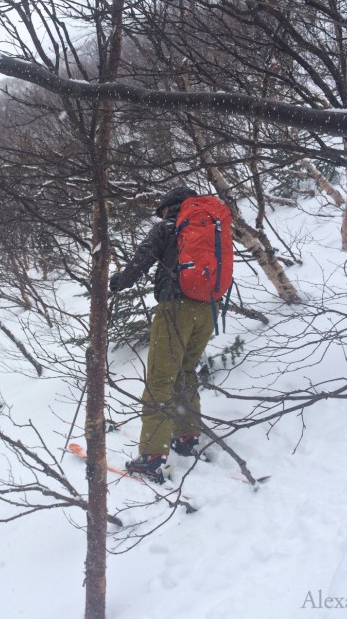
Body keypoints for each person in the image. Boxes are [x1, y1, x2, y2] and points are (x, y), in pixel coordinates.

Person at [109, 186, 217, 483]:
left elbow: (142, 260)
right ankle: (187, 438)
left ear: (170, 207)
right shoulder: (213, 224)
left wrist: (120, 281)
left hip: (176, 309)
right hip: (208, 308)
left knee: (160, 378)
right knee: (185, 371)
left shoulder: (169, 227)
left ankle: (152, 456)